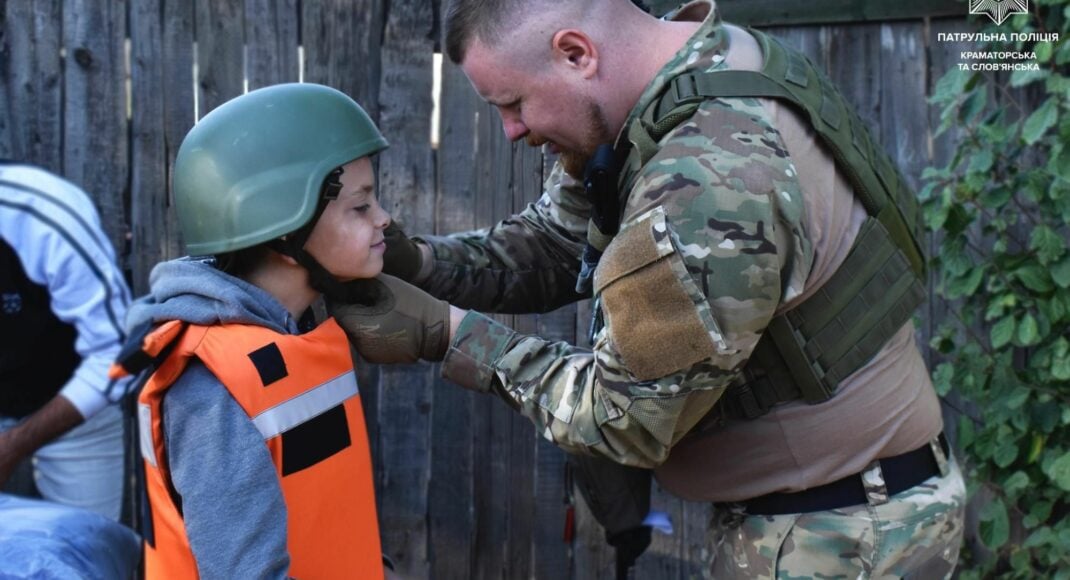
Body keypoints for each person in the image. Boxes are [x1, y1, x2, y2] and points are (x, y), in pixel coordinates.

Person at [331, 0, 967, 577]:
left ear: (576, 53)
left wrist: (448, 336)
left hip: (839, 535)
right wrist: (418, 263)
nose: (511, 132)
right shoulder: (694, 69)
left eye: (513, 103)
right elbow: (557, 243)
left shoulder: (707, 174)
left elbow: (624, 419)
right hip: (833, 506)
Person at [113, 83, 431, 579]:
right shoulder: (211, 387)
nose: (384, 218)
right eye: (360, 206)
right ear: (287, 230)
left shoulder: (293, 333)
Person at [0, 162, 131, 521]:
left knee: (86, 549)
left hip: (76, 407)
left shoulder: (42, 214)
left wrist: (13, 445)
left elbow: (116, 356)